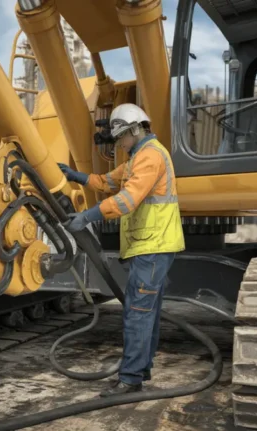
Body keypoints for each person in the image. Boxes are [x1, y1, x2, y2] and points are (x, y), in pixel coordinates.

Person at [58, 103, 185, 397]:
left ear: (135, 130)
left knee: (137, 312)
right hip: (151, 244)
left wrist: (87, 216)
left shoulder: (150, 157)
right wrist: (77, 176)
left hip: (153, 246)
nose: (119, 143)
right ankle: (141, 370)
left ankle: (130, 380)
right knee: (145, 311)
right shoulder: (136, 159)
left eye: (121, 137)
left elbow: (127, 200)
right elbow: (107, 182)